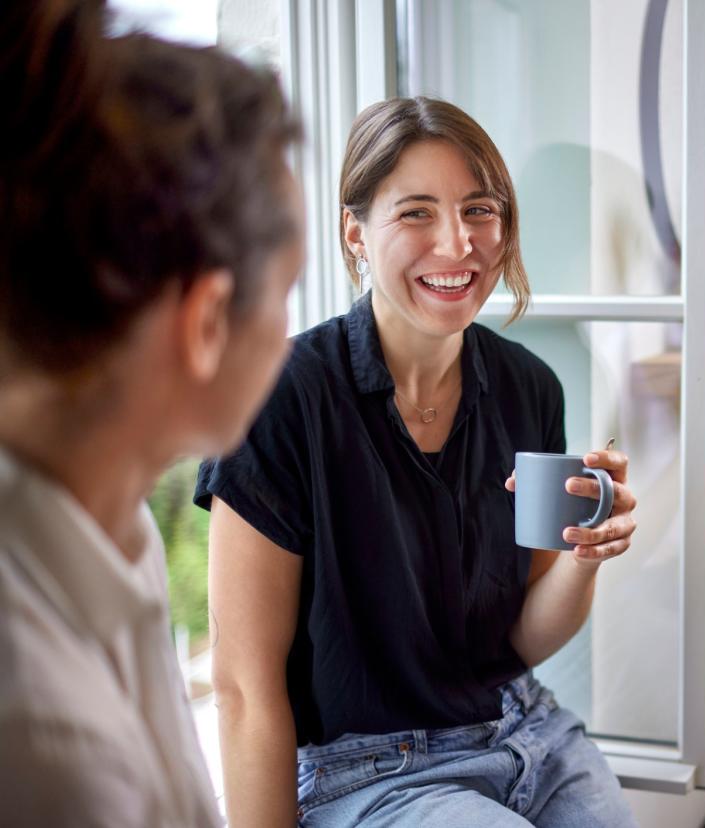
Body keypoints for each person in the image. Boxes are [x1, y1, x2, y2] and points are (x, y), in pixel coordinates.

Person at [195, 96, 640, 826]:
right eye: (416, 213)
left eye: (479, 209)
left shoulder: (530, 388)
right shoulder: (281, 397)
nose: (458, 244)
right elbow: (244, 687)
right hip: (366, 774)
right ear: (356, 234)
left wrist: (585, 555)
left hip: (526, 735)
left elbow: (524, 637)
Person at [0, 4, 305, 825]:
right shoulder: (48, 752)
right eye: (287, 292)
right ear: (207, 323)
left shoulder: (111, 533)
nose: (291, 334)